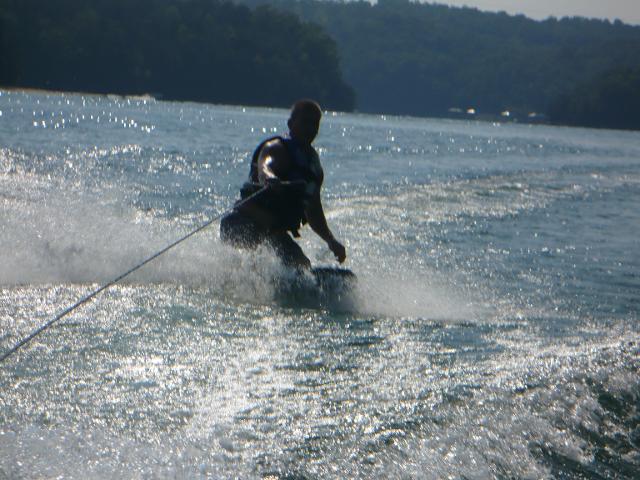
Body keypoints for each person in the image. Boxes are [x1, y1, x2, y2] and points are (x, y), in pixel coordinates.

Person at [220, 99, 346, 270]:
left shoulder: (314, 169)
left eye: (314, 123)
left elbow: (313, 209)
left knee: (302, 267)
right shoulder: (276, 148)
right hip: (241, 224)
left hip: (273, 233)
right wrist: (270, 178)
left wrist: (331, 240)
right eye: (305, 122)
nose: (310, 128)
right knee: (257, 264)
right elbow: (265, 166)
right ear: (290, 123)